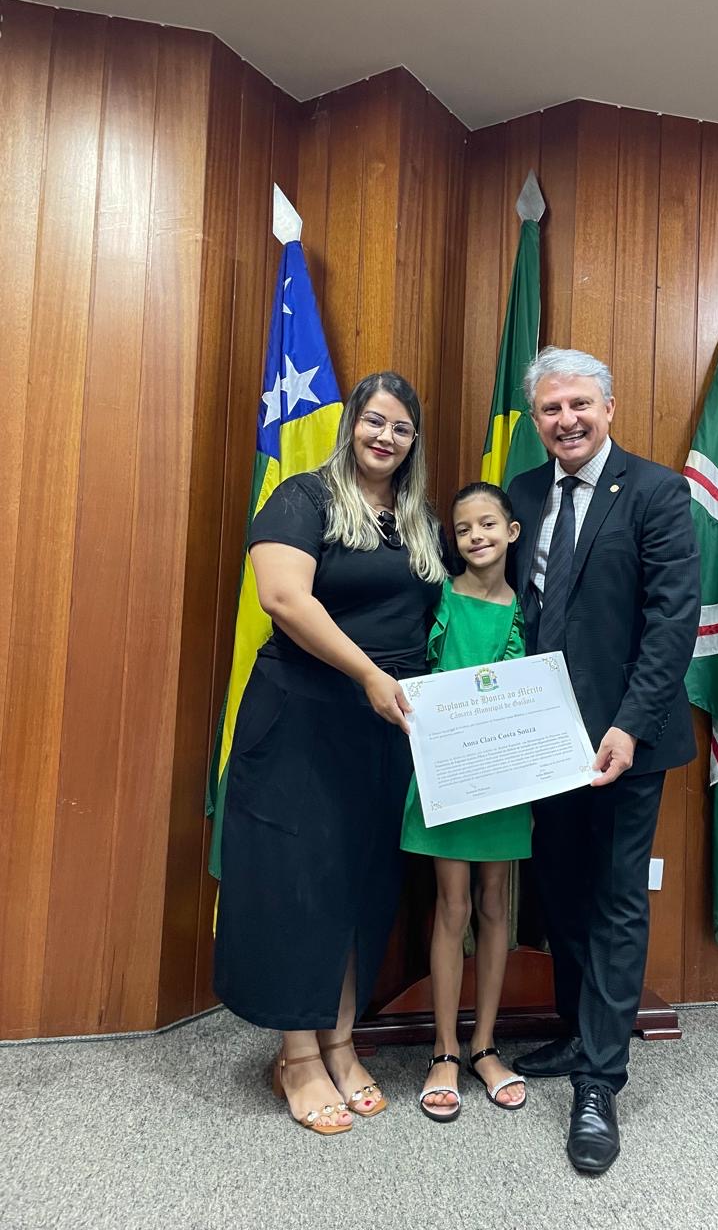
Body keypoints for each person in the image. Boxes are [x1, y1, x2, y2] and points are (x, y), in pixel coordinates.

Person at [214, 371, 446, 1137]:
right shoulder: (304, 498)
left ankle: (341, 1041)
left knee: (363, 885)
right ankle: (297, 1055)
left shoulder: (419, 521)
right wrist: (370, 674)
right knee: (301, 883)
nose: (386, 437)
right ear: (351, 424)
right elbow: (283, 598)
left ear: (414, 441)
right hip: (303, 716)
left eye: (401, 428)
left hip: (384, 728)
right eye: (375, 421)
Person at [507, 346, 700, 1175]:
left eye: (580, 404)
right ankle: (576, 1030)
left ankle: (599, 1079)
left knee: (617, 899)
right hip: (542, 742)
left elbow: (672, 622)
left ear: (609, 408)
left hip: (627, 740)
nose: (567, 420)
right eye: (551, 409)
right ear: (536, 419)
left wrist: (627, 725)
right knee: (558, 891)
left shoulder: (656, 492)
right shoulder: (520, 495)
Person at [400, 482, 530, 1122]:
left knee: (496, 906)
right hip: (446, 776)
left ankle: (485, 1046)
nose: (476, 536)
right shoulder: (439, 597)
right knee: (452, 908)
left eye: (487, 524)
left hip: (503, 779)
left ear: (511, 531)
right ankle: (445, 1051)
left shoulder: (528, 607)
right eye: (463, 529)